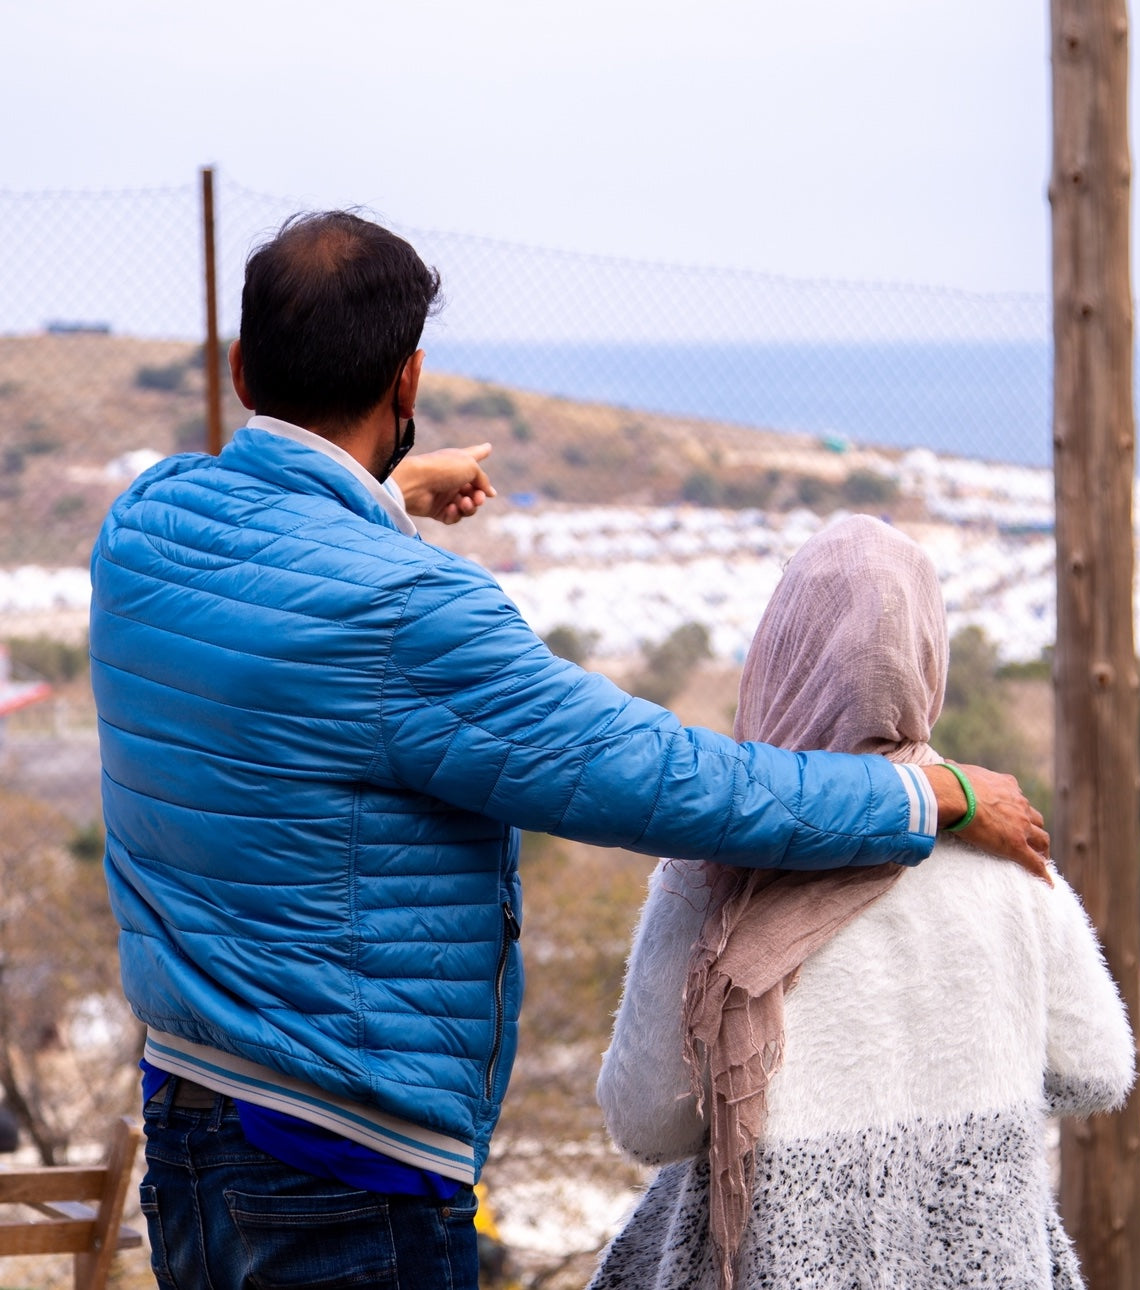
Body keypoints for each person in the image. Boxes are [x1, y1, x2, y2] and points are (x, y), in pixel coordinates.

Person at [89, 211, 1050, 1290]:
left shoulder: (146, 528)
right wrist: (923, 797)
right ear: (407, 381)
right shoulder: (414, 612)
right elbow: (665, 782)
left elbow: (279, 566)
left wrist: (387, 496)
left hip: (189, 1127)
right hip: (342, 1166)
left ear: (238, 363)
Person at [591, 516, 1135, 1290]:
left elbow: (647, 1123)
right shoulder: (1005, 847)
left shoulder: (713, 870)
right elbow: (1099, 1072)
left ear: (779, 654)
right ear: (928, 658)